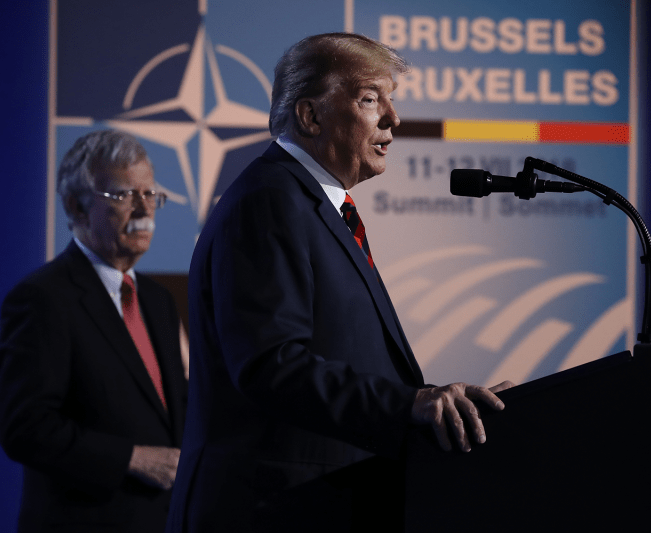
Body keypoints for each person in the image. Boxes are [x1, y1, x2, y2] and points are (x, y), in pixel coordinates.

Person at [166, 33, 513, 532]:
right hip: (268, 510)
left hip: (321, 505)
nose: (393, 118)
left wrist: (427, 401)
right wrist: (408, 404)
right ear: (310, 116)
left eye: (390, 99)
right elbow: (271, 364)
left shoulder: (307, 203)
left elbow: (343, 357)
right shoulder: (269, 202)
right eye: (371, 98)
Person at [0, 130, 188, 533]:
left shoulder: (157, 300)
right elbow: (25, 427)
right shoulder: (42, 298)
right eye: (123, 196)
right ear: (76, 207)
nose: (144, 209)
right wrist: (134, 458)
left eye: (150, 194)